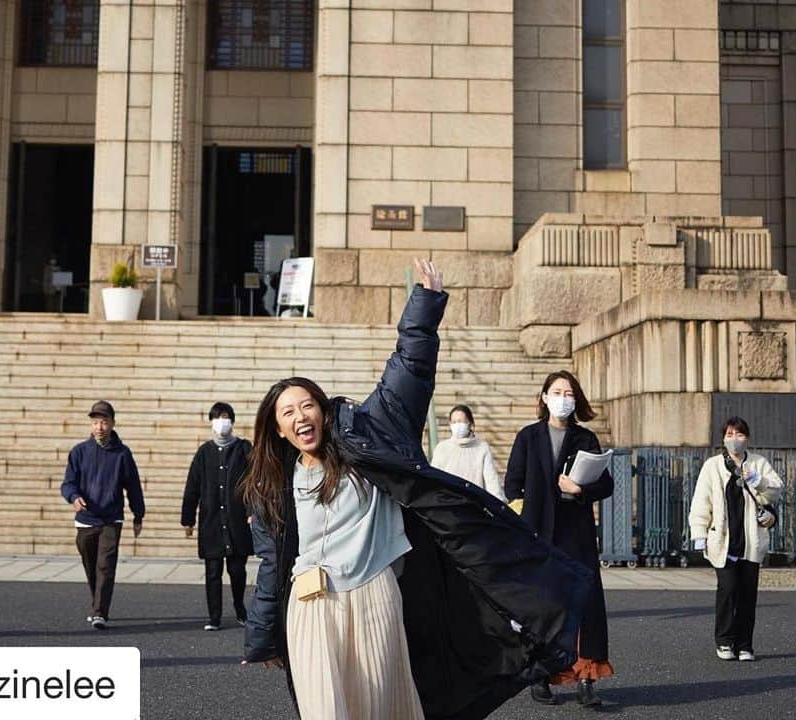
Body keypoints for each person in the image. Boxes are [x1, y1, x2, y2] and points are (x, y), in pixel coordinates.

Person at [242, 259, 593, 720]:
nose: (299, 416)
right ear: (278, 430)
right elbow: (273, 563)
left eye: (307, 404)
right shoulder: (273, 486)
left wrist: (424, 308)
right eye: (287, 413)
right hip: (310, 608)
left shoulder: (368, 441)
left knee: (382, 709)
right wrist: (263, 632)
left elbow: (407, 373)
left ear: (324, 412)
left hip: (374, 598)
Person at [504, 370, 615, 707]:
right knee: (543, 605)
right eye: (557, 391)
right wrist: (523, 518)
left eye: (569, 393)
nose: (564, 398)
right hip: (538, 533)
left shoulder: (585, 439)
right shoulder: (528, 437)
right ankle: (541, 675)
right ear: (544, 397)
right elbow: (513, 482)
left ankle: (586, 677)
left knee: (585, 604)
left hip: (576, 533)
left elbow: (606, 484)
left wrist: (579, 489)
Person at [689, 417, 782, 663]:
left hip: (750, 539)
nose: (734, 439)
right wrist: (699, 533)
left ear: (747, 438)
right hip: (724, 540)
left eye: (739, 434)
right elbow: (702, 500)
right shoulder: (713, 466)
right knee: (728, 590)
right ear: (723, 438)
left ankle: (745, 645)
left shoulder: (759, 463)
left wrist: (757, 481)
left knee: (748, 595)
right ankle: (724, 640)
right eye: (730, 434)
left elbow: (776, 490)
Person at [61, 400, 145, 630]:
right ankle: (97, 599)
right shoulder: (79, 452)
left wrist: (138, 515)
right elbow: (68, 483)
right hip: (85, 519)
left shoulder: (122, 454)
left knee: (105, 566)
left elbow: (133, 486)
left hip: (111, 518)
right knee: (91, 565)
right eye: (96, 422)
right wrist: (73, 497)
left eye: (104, 422)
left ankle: (100, 612)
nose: (99, 427)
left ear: (112, 424)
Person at [181, 401, 254, 631]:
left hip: (237, 520)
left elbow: (254, 483)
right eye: (217, 417)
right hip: (211, 521)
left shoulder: (244, 449)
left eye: (225, 417)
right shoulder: (204, 452)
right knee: (212, 572)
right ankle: (214, 617)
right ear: (211, 422)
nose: (222, 421)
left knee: (237, 569)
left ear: (232, 421)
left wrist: (253, 511)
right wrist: (188, 519)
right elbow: (192, 486)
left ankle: (240, 608)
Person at [430, 403, 507, 502]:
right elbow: (434, 480)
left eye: (461, 421)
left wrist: (499, 504)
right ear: (450, 424)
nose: (457, 425)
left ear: (469, 423)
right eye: (454, 422)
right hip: (448, 506)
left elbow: (491, 481)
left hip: (474, 506)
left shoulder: (482, 448)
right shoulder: (442, 448)